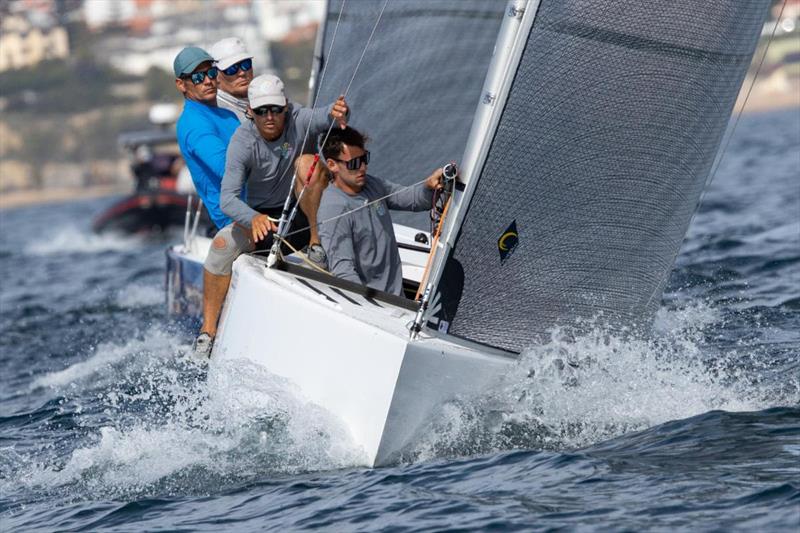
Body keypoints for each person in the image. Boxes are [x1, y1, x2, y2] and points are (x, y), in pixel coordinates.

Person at [192, 74, 349, 358]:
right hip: (264, 223)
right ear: (250, 111)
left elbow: (323, 117)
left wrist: (336, 111)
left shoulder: (298, 117)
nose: (269, 117)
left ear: (286, 107)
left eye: (275, 109)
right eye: (261, 110)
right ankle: (208, 333)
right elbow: (227, 198)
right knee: (220, 247)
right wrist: (252, 218)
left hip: (302, 214)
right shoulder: (242, 141)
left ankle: (316, 246)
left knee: (308, 163)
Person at [318, 127, 444, 296]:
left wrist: (429, 186)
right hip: (377, 306)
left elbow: (413, 199)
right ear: (332, 165)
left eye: (365, 159)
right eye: (354, 163)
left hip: (397, 298)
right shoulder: (333, 209)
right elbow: (343, 272)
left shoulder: (372, 185)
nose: (363, 168)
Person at [174, 46, 239, 230]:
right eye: (197, 77)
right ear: (181, 84)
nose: (208, 81)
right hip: (234, 222)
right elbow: (226, 170)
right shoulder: (193, 124)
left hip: (262, 206)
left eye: (211, 72)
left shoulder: (229, 116)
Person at [210, 37, 254, 122]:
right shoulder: (216, 115)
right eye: (231, 69)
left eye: (246, 64)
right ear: (216, 75)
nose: (242, 73)